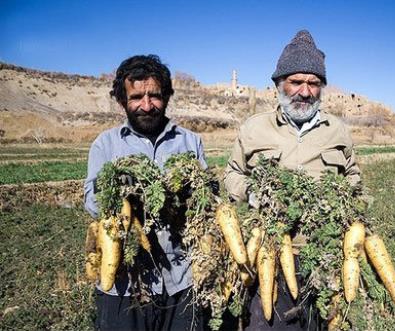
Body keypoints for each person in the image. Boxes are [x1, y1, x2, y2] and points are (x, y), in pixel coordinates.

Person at [224, 30, 363, 330]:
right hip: (268, 256)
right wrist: (252, 193)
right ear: (279, 84)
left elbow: (354, 178)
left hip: (325, 259)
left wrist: (344, 199)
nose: (305, 91)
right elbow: (232, 175)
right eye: (297, 81)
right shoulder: (254, 128)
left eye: (313, 83)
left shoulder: (338, 130)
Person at [84, 54, 207, 331]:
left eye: (155, 96)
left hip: (182, 279)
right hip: (124, 283)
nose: (147, 106)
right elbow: (92, 202)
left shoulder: (190, 141)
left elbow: (206, 202)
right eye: (137, 97)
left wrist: (195, 193)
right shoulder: (105, 145)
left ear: (167, 96)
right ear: (121, 101)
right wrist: (117, 192)